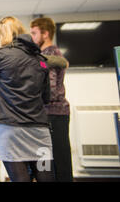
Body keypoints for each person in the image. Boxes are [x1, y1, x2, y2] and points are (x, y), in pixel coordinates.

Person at [0, 16, 55, 182]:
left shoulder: (1, 56)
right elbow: (46, 98)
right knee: (46, 177)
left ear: (3, 35)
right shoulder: (41, 61)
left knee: (20, 179)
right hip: (39, 131)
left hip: (10, 131)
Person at [30, 17, 73, 182]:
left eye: (34, 33)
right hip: (49, 114)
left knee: (59, 163)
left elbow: (52, 90)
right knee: (49, 164)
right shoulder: (44, 55)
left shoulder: (50, 54)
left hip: (54, 114)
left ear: (45, 34)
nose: (32, 37)